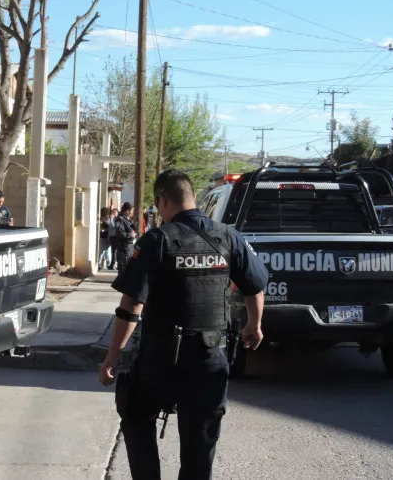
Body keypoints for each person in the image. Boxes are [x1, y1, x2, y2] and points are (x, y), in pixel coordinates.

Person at [98, 169, 268, 480]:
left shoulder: (156, 241)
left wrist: (113, 356)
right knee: (200, 446)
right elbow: (254, 288)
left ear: (163, 200)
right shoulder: (228, 237)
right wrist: (254, 326)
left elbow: (131, 307)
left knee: (135, 414)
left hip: (160, 359)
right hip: (210, 358)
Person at [115, 202, 137, 275]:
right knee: (123, 273)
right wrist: (131, 235)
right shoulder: (120, 219)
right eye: (132, 211)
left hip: (129, 248)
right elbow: (120, 233)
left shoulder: (128, 219)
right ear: (127, 211)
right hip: (124, 250)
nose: (132, 212)